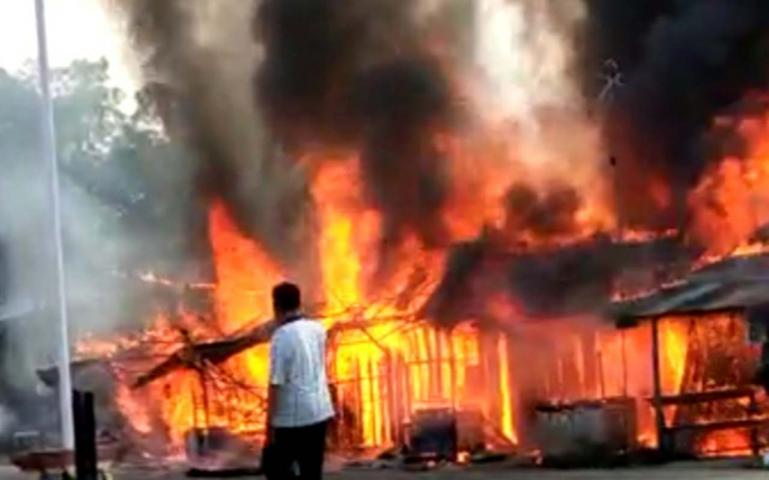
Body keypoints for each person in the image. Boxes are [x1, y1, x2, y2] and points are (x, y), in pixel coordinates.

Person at [264, 282, 334, 480]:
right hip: (319, 412)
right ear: (298, 302)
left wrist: (268, 429)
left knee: (276, 470)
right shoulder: (318, 329)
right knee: (312, 472)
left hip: (291, 420)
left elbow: (275, 383)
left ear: (276, 306)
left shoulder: (281, 337)